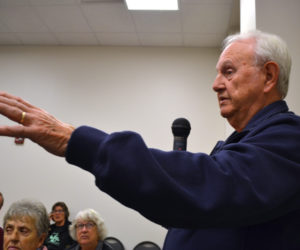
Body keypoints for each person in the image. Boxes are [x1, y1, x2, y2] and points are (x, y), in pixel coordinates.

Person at [0, 30, 300, 249]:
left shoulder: (288, 139)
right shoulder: (242, 144)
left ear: (269, 76)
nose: (215, 84)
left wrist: (74, 140)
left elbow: (211, 187)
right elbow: (196, 209)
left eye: (229, 72)